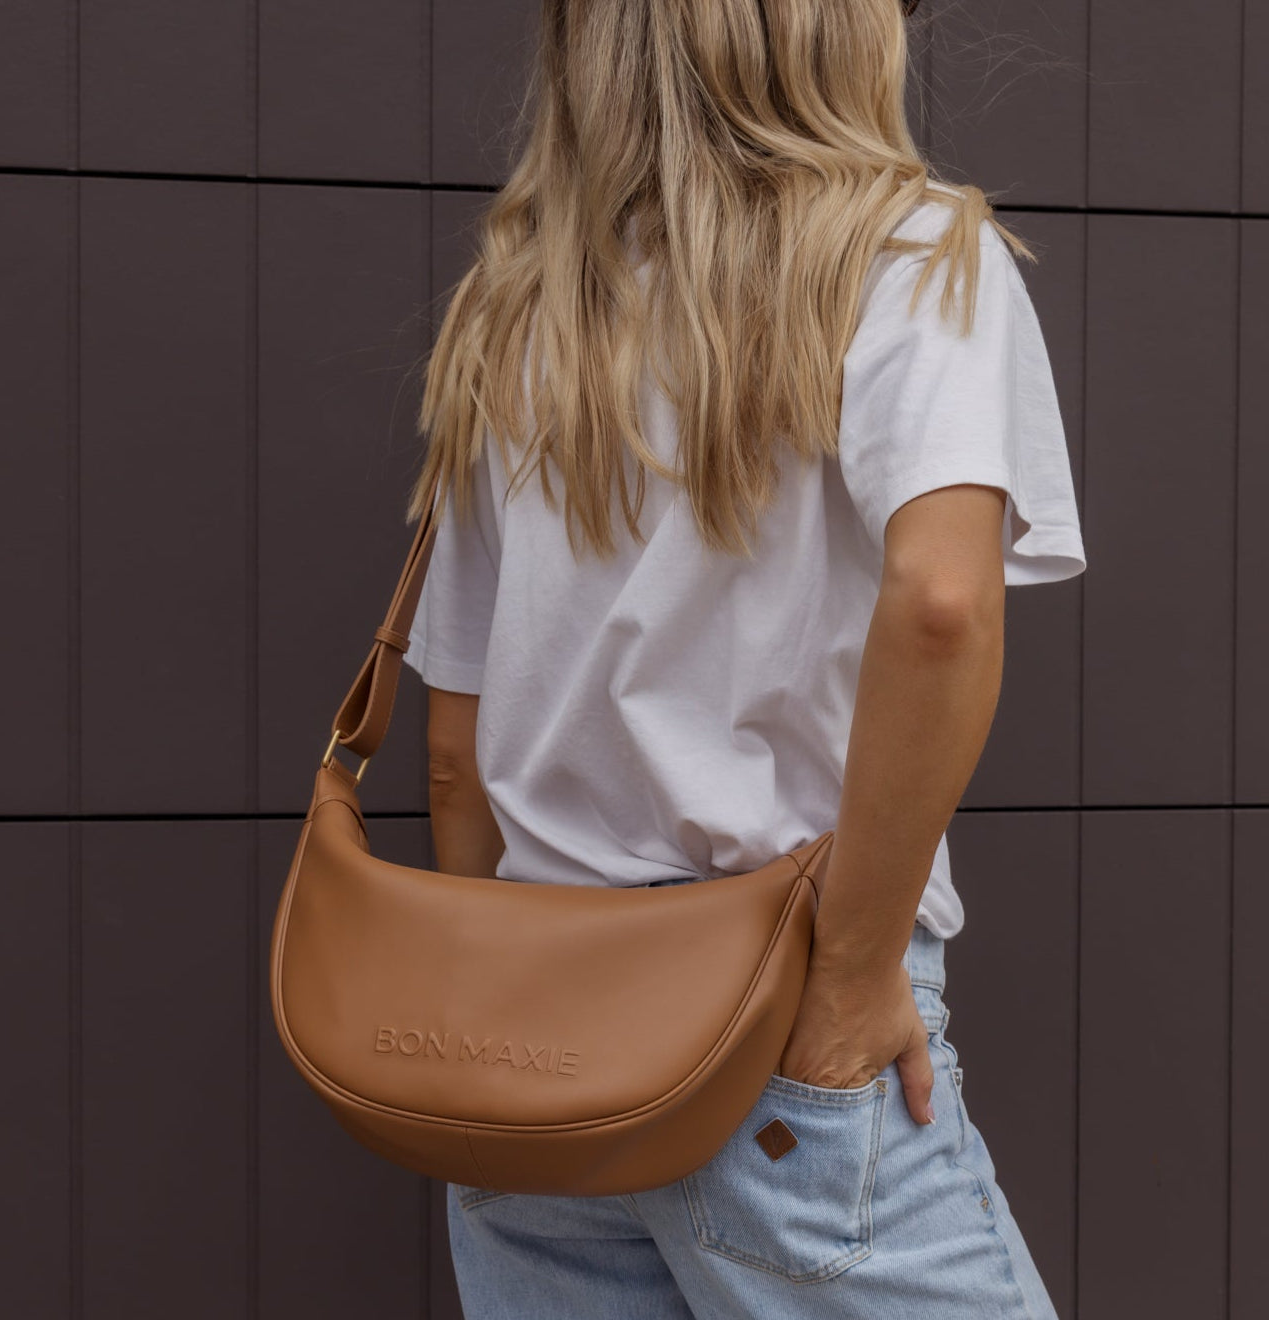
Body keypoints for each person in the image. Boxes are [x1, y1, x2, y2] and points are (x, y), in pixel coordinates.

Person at [400, 1, 1083, 1315]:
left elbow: (451, 752)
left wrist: (495, 1008)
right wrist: (848, 982)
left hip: (533, 1027)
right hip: (774, 1017)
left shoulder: (522, 303)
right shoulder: (914, 254)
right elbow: (944, 603)